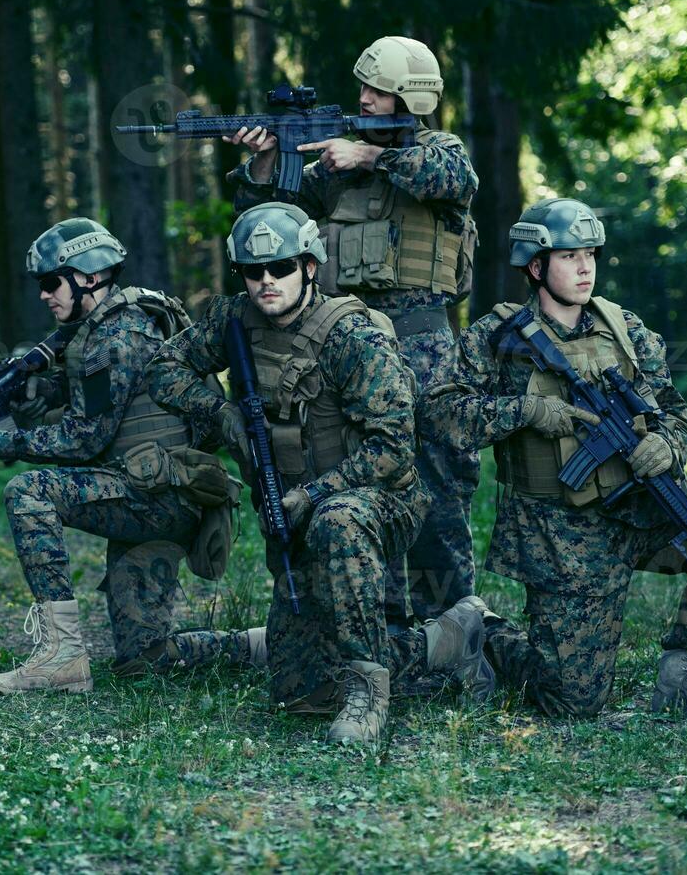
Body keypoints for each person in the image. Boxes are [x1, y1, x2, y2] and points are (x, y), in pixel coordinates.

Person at [147, 202, 493, 744]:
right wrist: (221, 413)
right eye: (252, 271)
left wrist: (315, 493)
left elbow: (394, 449)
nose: (266, 281)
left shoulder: (353, 336)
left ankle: (368, 693)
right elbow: (163, 369)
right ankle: (448, 638)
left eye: (281, 267)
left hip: (379, 502)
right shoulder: (233, 321)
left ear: (310, 266)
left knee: (339, 519)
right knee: (299, 690)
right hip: (294, 511)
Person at [420, 198, 687, 717]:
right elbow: (440, 415)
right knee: (570, 703)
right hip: (561, 532)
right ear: (536, 266)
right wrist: (526, 411)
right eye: (568, 256)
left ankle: (685, 677)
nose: (585, 268)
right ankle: (481, 631)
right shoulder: (499, 338)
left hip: (638, 505)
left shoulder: (623, 327)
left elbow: (674, 410)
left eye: (590, 254)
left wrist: (666, 444)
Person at [0, 218, 251, 694]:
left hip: (157, 497)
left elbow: (84, 441)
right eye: (41, 284)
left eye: (52, 282)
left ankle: (62, 656)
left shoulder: (118, 336)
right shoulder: (103, 330)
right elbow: (103, 406)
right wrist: (42, 393)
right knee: (145, 658)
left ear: (90, 277)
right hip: (157, 492)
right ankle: (264, 644)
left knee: (29, 492)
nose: (43, 295)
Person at [225, 35, 479, 623]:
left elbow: (453, 178)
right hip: (348, 348)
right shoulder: (336, 166)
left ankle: (455, 626)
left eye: (378, 91)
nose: (363, 98)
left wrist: (370, 156)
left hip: (423, 348)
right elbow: (275, 216)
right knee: (355, 472)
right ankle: (381, 623)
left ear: (409, 100)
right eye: (363, 86)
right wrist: (264, 162)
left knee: (437, 483)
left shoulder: (438, 149)